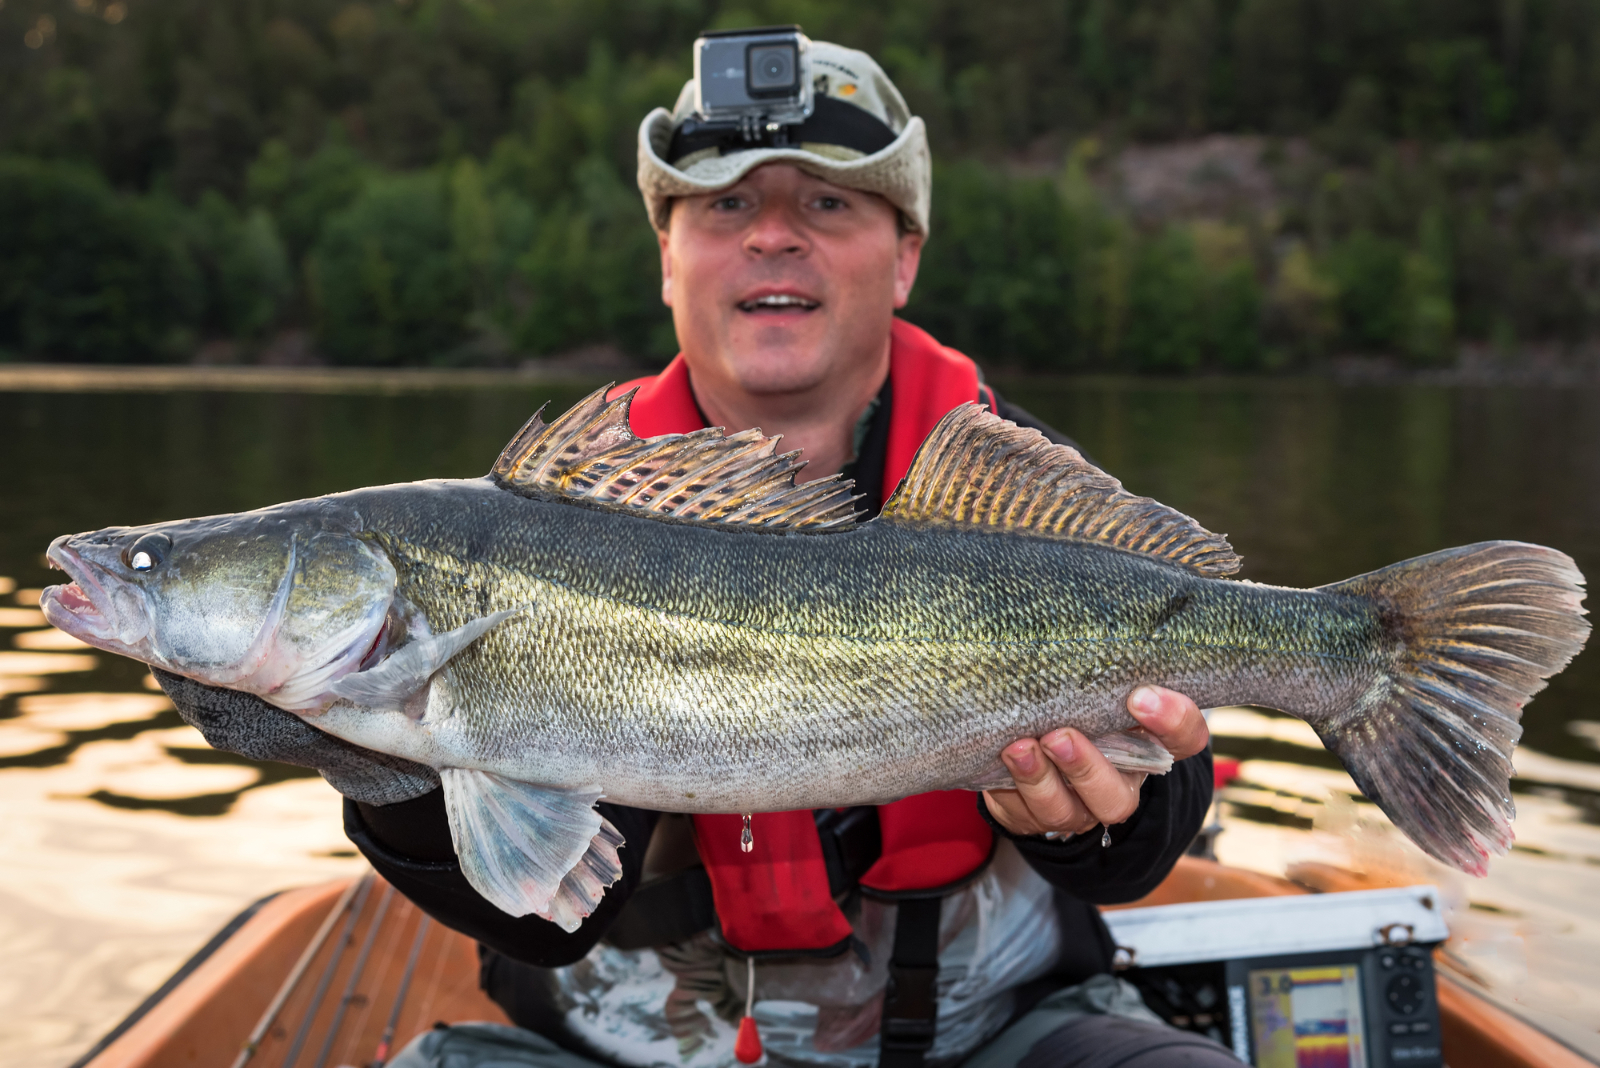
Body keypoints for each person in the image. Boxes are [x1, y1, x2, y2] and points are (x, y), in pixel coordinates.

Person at [157, 37, 1238, 1068]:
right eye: (725, 206)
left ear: (904, 258)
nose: (774, 235)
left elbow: (1138, 852)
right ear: (665, 257)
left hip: (991, 1034)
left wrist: (1108, 811)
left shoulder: (1017, 502)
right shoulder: (542, 530)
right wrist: (386, 775)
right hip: (597, 1051)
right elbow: (537, 921)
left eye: (826, 201)